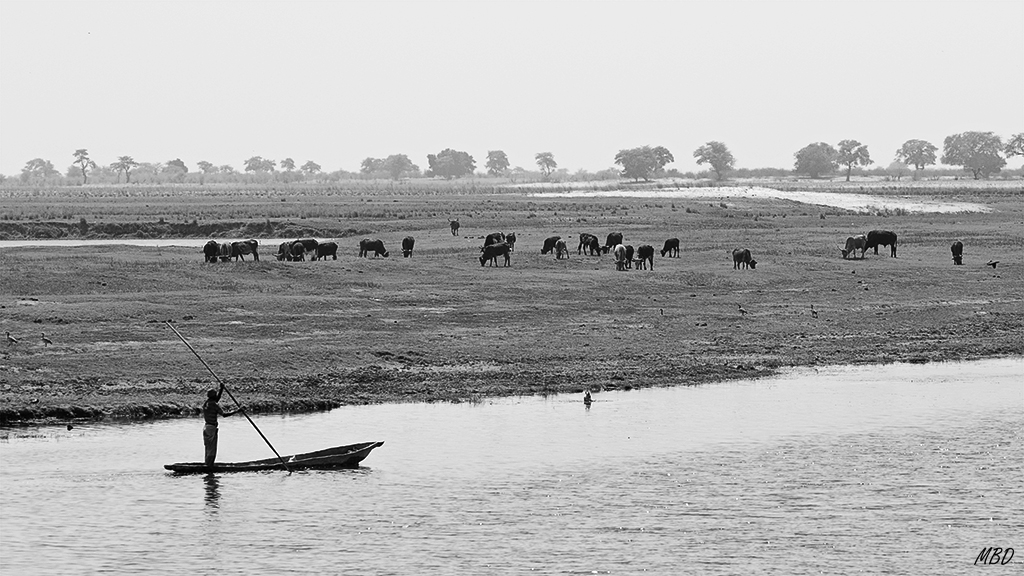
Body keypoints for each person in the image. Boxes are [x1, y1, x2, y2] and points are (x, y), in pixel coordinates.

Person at [202, 383, 240, 469]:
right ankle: (209, 467)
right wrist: (237, 411)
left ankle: (207, 465)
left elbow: (216, 399)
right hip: (211, 428)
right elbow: (224, 414)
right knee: (212, 448)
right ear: (213, 396)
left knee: (208, 447)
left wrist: (221, 389)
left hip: (206, 428)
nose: (216, 396)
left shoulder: (206, 403)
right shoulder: (214, 404)